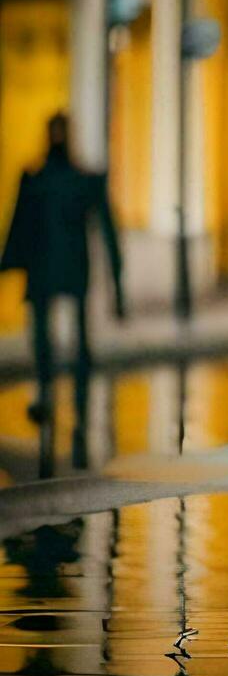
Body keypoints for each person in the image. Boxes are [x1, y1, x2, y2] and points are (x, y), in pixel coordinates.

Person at [1, 114, 124, 461]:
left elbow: (18, 225)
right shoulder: (60, 179)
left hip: (55, 269)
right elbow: (19, 225)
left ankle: (65, 398)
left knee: (62, 337)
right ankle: (60, 396)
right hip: (60, 269)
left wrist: (118, 282)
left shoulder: (52, 179)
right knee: (51, 336)